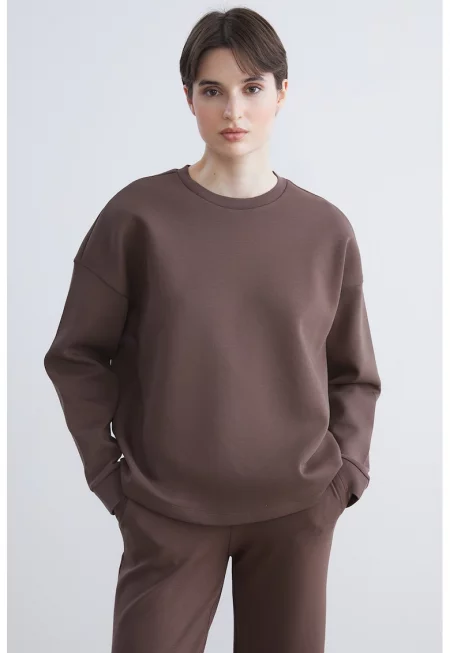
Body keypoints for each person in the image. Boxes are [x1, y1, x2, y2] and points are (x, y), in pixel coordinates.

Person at [43, 7, 382, 653]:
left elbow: (353, 372)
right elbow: (76, 355)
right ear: (188, 98)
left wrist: (346, 476)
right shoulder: (137, 218)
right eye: (212, 90)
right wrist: (111, 479)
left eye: (252, 88)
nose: (234, 110)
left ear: (282, 93)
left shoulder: (325, 230)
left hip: (296, 509)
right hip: (168, 512)